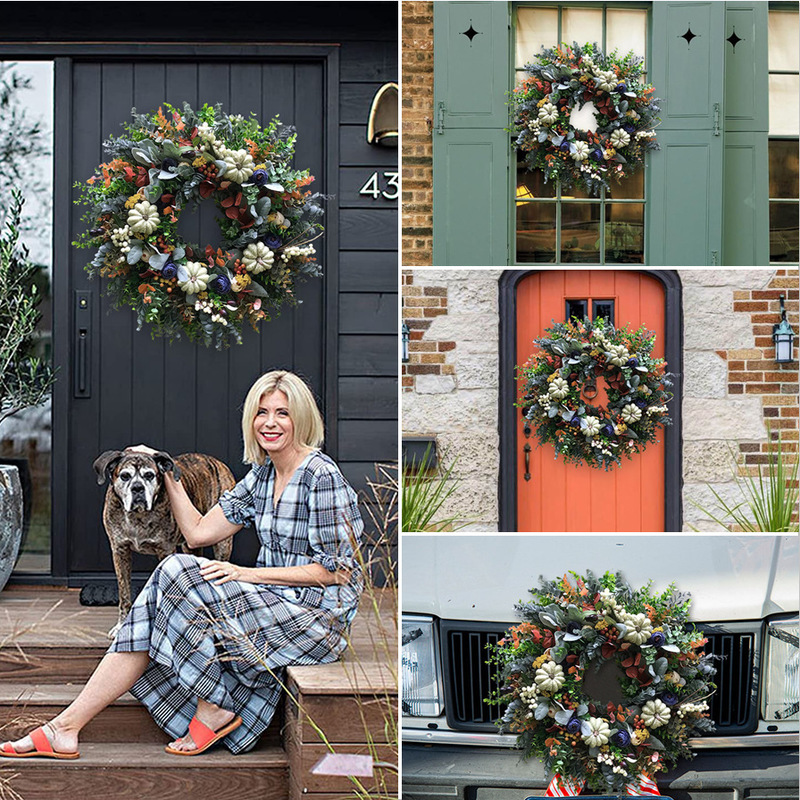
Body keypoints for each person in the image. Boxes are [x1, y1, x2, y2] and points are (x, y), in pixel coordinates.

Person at [0, 370, 363, 758]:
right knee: (170, 577)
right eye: (261, 412)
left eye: (282, 413)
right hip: (271, 602)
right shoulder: (262, 476)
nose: (269, 423)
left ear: (302, 418)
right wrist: (162, 469)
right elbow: (197, 533)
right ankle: (65, 727)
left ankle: (207, 707)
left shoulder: (321, 476)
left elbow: (339, 571)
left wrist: (245, 573)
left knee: (174, 572)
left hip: (316, 618)